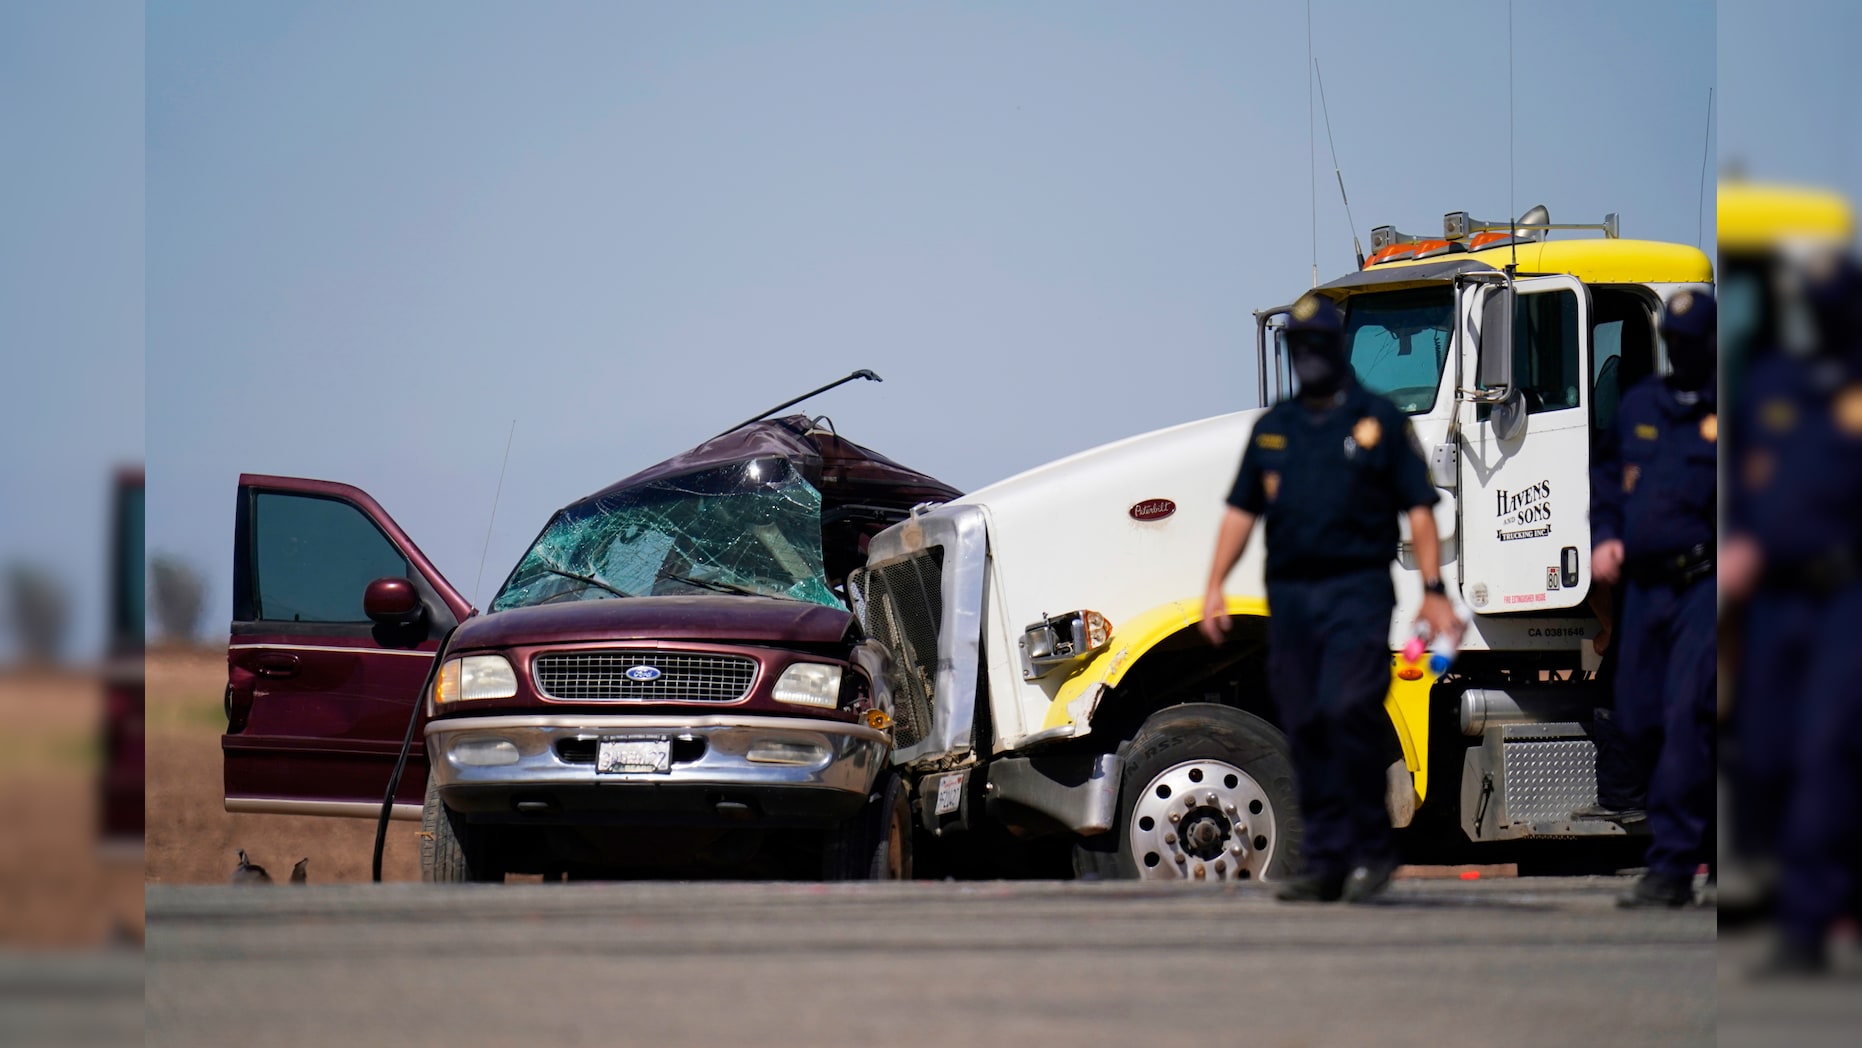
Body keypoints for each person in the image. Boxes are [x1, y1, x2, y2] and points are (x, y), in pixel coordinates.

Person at [1200, 291, 1458, 904]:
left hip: (1356, 594)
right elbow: (1240, 513)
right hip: (1291, 599)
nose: (1308, 356)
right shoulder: (1275, 429)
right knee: (1307, 723)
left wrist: (1432, 589)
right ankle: (1326, 861)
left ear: (1336, 347)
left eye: (1319, 343)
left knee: (1349, 713)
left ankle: (1371, 852)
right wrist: (1213, 584)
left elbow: (1419, 509)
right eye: (1299, 346)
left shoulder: (1378, 422)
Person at [1723, 253, 1862, 972]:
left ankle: (1808, 927)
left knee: (1825, 754)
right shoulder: (1772, 380)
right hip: (1774, 598)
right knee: (1768, 753)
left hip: (1844, 596)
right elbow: (1748, 481)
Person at [1590, 288, 1718, 908]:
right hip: (1643, 589)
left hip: (1705, 587)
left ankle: (1672, 866)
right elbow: (1608, 481)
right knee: (1636, 719)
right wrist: (1606, 536)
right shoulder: (1642, 405)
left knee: (1687, 716)